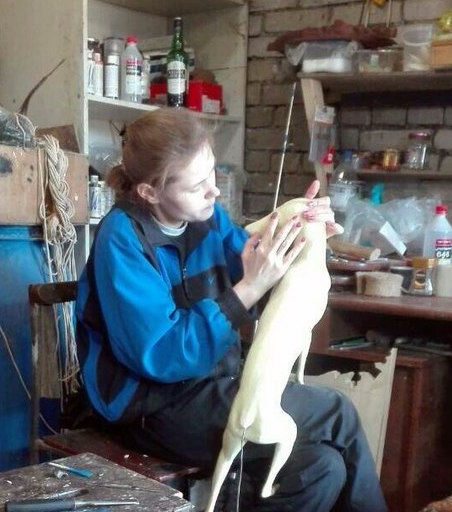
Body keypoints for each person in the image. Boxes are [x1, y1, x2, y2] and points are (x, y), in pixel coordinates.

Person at [75, 107, 387, 512]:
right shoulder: (123, 239)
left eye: (211, 175)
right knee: (336, 414)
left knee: (321, 468)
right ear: (150, 192)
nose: (214, 192)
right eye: (197, 186)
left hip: (214, 382)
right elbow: (162, 354)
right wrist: (249, 288)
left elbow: (257, 266)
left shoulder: (205, 218)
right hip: (153, 407)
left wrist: (303, 232)